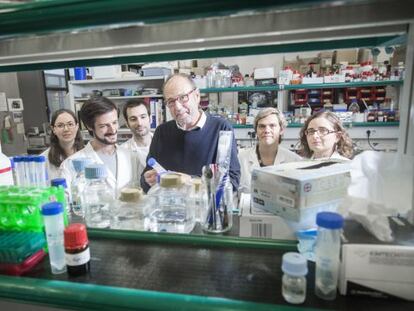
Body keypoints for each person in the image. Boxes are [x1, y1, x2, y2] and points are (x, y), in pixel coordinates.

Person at [141, 73, 240, 193]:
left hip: (206, 209)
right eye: (171, 102)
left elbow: (232, 181)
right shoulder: (162, 132)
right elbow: (145, 178)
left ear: (197, 96)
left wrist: (189, 181)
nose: (177, 107)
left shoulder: (221, 129)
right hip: (170, 208)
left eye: (183, 97)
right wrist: (148, 180)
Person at [61, 96, 133, 192]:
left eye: (114, 122)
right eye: (104, 126)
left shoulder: (132, 156)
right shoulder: (70, 165)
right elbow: (65, 202)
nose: (112, 130)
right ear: (89, 126)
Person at [238, 107, 301, 193]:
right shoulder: (241, 158)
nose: (267, 130)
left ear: (281, 130)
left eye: (272, 126)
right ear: (256, 130)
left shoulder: (295, 161)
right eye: (262, 126)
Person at [41, 109, 84, 180]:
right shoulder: (43, 159)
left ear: (77, 126)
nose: (66, 129)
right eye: (60, 125)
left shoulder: (87, 154)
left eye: (70, 124)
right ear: (53, 129)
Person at [120, 100, 153, 184]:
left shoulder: (165, 144)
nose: (139, 123)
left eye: (143, 117)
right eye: (133, 119)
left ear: (150, 118)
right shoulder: (122, 151)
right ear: (127, 124)